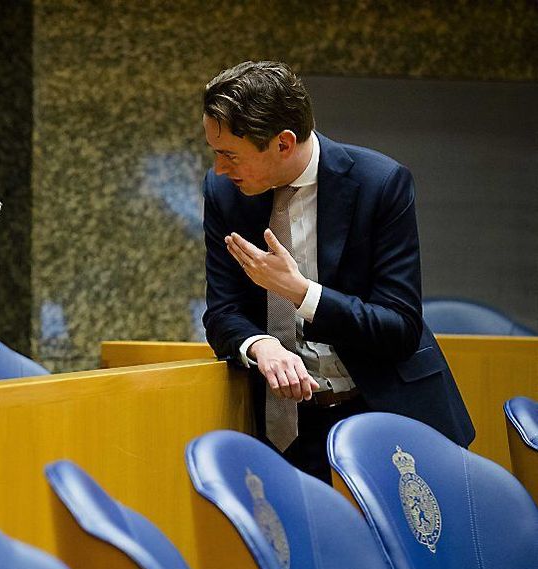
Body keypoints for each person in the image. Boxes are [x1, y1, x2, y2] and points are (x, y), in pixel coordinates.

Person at [200, 60, 473, 482]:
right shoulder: (223, 192)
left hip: (386, 409)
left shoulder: (379, 183)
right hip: (288, 424)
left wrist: (301, 293)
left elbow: (399, 326)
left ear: (284, 144)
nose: (219, 168)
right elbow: (222, 311)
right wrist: (260, 345)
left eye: (229, 154)